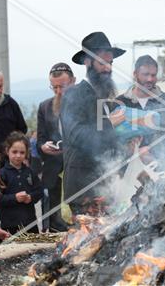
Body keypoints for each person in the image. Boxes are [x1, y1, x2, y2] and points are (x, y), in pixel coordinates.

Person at [61, 32, 125, 216]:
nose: (108, 69)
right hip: (84, 190)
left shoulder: (106, 98)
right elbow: (76, 135)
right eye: (102, 63)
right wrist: (110, 124)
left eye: (110, 63)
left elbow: (106, 139)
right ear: (88, 62)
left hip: (106, 186)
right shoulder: (74, 94)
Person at [37, 63, 75, 231]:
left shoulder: (86, 105)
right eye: (55, 88)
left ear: (73, 82)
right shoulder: (45, 107)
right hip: (53, 174)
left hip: (77, 172)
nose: (59, 92)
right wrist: (44, 147)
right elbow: (40, 140)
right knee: (53, 226)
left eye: (63, 86)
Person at [0, 131, 43, 234]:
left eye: (22, 152)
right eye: (14, 152)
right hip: (9, 226)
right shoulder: (1, 174)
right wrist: (14, 198)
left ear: (26, 153)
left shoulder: (30, 172)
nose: (18, 155)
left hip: (30, 224)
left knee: (35, 249)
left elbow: (39, 191)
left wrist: (31, 197)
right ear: (7, 151)